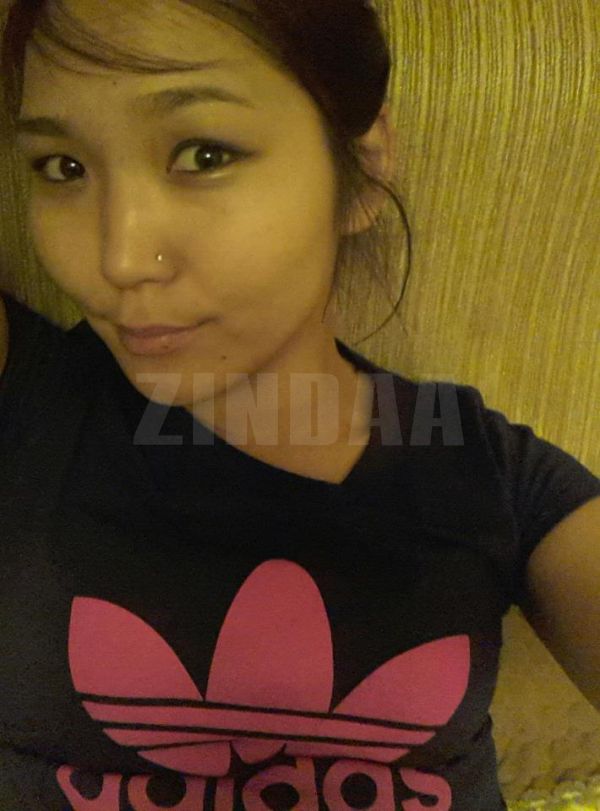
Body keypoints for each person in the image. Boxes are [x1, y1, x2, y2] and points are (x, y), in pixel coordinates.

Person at [0, 2, 598, 810]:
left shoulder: (490, 473)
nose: (120, 257)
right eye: (63, 167)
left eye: (203, 154)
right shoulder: (31, 401)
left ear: (363, 171)